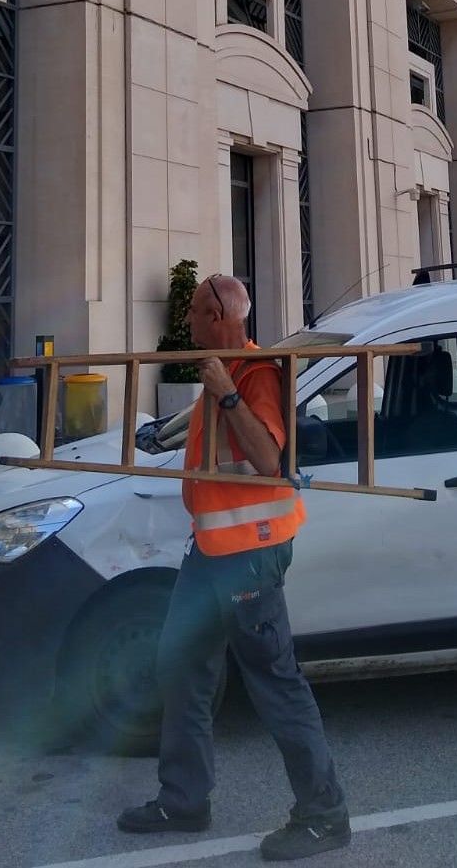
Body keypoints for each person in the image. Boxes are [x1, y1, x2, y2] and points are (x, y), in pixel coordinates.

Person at [118, 274, 350, 861]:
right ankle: (185, 799)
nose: (187, 322)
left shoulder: (254, 373)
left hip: (249, 554)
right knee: (181, 664)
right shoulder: (218, 366)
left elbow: (271, 458)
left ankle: (324, 816)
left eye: (195, 312)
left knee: (274, 682)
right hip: (213, 550)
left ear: (220, 315)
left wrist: (226, 394)